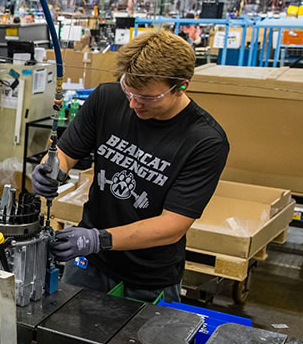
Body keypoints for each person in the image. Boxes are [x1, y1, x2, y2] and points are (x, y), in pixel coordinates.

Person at [31, 30, 229, 302]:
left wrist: (98, 239)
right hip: (89, 262)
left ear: (182, 86)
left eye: (147, 98)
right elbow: (65, 152)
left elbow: (172, 225)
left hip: (148, 277)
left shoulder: (205, 141)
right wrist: (49, 169)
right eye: (128, 90)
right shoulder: (107, 99)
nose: (133, 104)